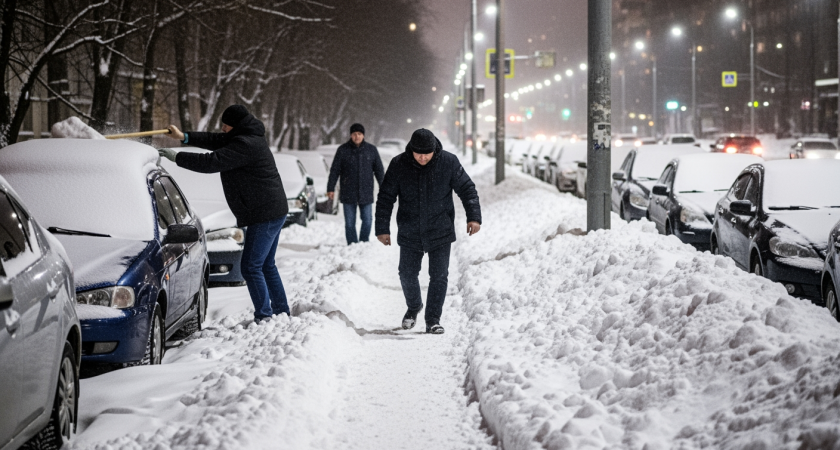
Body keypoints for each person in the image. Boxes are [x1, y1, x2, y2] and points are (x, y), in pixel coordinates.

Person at [158, 105, 290, 324]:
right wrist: (184, 136)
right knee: (266, 265)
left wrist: (178, 157)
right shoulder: (245, 135)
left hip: (264, 213)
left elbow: (213, 161)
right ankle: (281, 311)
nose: (222, 128)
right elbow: (216, 140)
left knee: (251, 266)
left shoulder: (246, 145)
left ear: (235, 125)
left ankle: (265, 316)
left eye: (225, 125)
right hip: (271, 209)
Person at [375, 128, 481, 334]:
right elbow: (386, 198)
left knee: (439, 276)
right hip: (409, 229)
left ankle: (433, 319)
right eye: (418, 153)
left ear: (435, 149)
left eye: (427, 153)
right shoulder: (399, 165)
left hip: (440, 229)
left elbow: (467, 189)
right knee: (406, 274)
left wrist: (474, 216)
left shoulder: (448, 162)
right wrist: (382, 228)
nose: (423, 157)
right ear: (411, 150)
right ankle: (414, 306)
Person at [327, 123, 385, 245]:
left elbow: (379, 171)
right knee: (349, 222)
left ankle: (363, 243)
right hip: (348, 192)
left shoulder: (371, 150)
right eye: (354, 134)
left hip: (366, 192)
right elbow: (334, 170)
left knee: (368, 220)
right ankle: (352, 244)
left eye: (359, 134)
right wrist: (330, 188)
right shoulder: (343, 150)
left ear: (363, 135)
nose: (357, 136)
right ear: (350, 135)